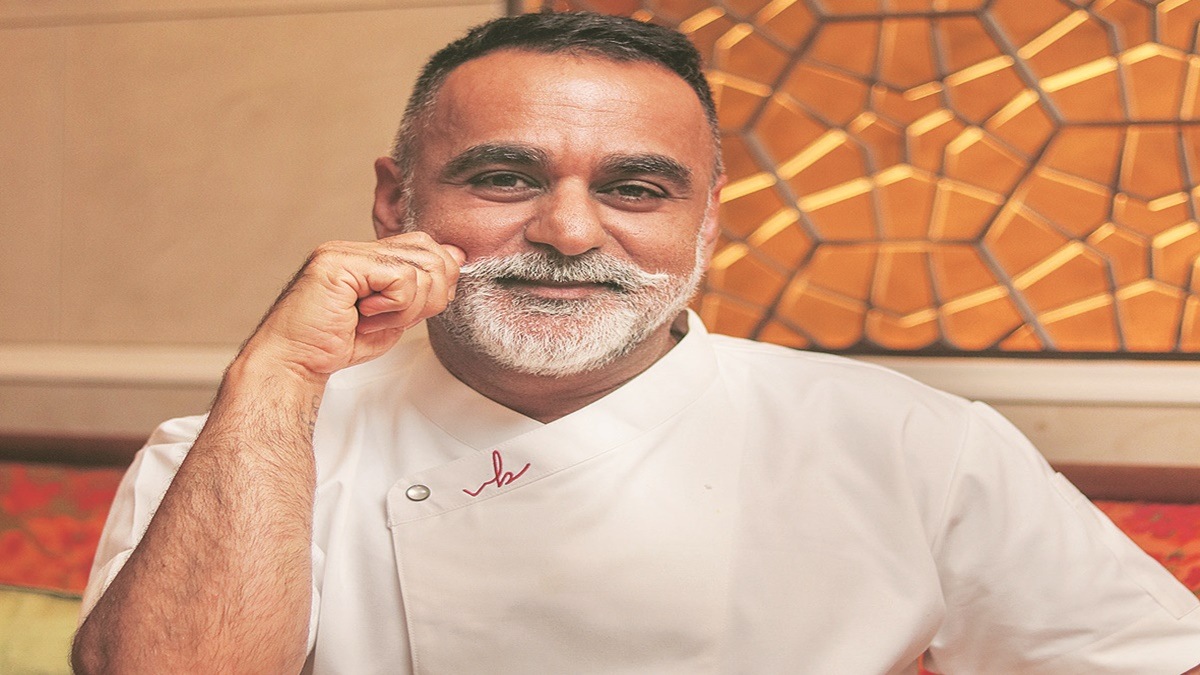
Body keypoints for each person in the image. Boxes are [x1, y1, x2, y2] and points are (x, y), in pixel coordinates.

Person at [72, 11, 1200, 674]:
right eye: (503, 176)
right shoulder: (239, 445)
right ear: (395, 198)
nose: (568, 233)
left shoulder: (911, 442)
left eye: (637, 189)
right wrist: (278, 374)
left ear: (705, 222)